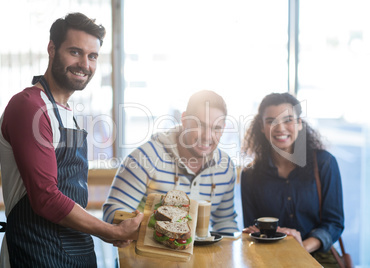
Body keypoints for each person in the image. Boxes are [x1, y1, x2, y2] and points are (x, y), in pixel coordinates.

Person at [0, 13, 143, 267]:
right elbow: (46, 198)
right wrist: (112, 232)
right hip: (34, 253)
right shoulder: (28, 106)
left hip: (76, 252)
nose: (84, 64)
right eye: (75, 52)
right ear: (52, 49)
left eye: (92, 56)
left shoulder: (67, 114)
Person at [103, 90, 238, 234]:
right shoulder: (145, 158)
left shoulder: (226, 168)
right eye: (200, 125)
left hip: (199, 255)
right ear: (184, 120)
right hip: (145, 254)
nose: (208, 136)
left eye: (216, 128)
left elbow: (225, 222)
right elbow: (114, 213)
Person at [241, 93, 344, 266]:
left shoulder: (324, 163)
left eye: (288, 120)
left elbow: (334, 223)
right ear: (261, 126)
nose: (280, 128)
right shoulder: (250, 174)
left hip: (317, 255)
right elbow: (252, 229)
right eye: (271, 121)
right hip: (269, 258)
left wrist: (301, 247)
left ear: (299, 123)